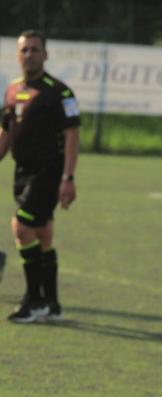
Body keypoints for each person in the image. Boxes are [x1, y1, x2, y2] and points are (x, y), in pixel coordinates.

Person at [0, 29, 78, 324]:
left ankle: (33, 301)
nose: (29, 55)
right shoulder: (11, 90)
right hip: (22, 171)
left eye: (35, 49)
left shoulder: (59, 92)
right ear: (17, 55)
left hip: (49, 171)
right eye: (24, 50)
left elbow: (72, 135)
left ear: (45, 54)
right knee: (42, 234)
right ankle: (52, 304)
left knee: (21, 227)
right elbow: (6, 132)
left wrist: (68, 177)